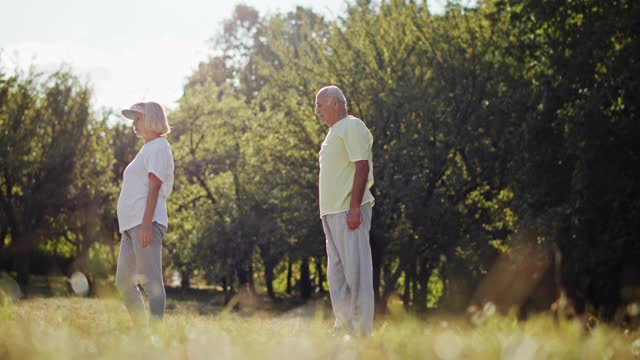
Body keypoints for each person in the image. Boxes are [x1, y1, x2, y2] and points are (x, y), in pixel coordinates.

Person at [315, 85, 375, 336]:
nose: (316, 111)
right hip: (330, 213)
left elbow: (361, 167)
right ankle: (343, 326)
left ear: (334, 103)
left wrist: (353, 209)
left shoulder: (352, 126)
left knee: (356, 272)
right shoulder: (333, 132)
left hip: (348, 211)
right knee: (337, 274)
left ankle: (362, 331)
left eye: (319, 105)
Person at [115, 101, 174, 326]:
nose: (134, 124)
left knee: (152, 283)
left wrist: (147, 224)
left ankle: (156, 338)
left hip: (144, 222)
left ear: (150, 118)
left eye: (138, 119)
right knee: (123, 281)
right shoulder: (148, 148)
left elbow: (155, 186)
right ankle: (143, 334)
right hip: (131, 225)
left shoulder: (159, 146)